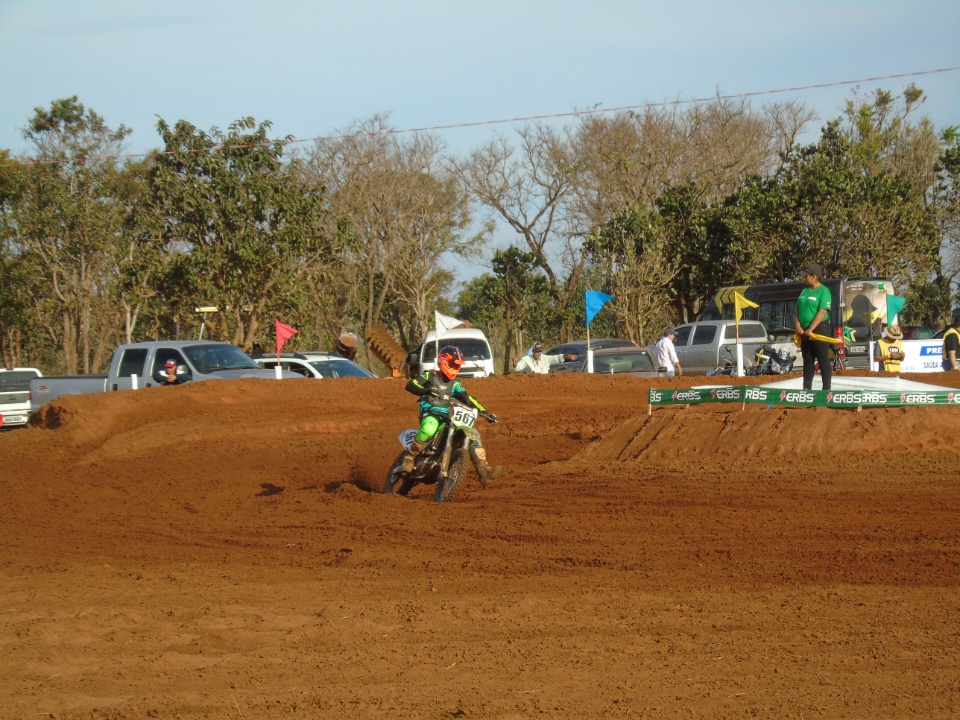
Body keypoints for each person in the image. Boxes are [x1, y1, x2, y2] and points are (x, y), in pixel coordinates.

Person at [403, 345, 502, 486]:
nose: (455, 368)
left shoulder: (455, 384)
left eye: (457, 366)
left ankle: (484, 472)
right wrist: (426, 390)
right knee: (430, 428)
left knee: (473, 435)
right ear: (444, 362)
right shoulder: (430, 375)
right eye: (452, 364)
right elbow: (411, 385)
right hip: (430, 412)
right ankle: (410, 457)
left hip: (444, 416)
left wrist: (485, 412)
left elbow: (468, 398)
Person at [794, 264, 833, 391]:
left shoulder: (824, 291)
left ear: (814, 276)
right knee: (808, 359)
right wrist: (798, 326)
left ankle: (826, 389)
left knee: (822, 358)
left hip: (819, 329)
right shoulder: (804, 291)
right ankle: (806, 388)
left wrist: (811, 329)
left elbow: (822, 312)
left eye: (806, 276)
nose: (804, 278)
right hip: (804, 331)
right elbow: (796, 310)